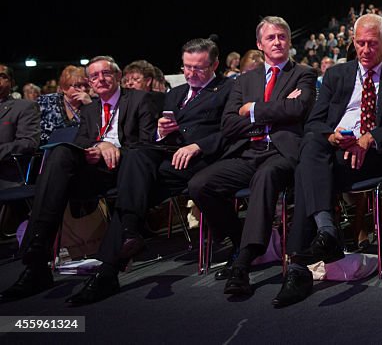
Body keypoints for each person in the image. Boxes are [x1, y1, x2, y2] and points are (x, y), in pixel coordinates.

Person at [66, 39, 233, 305]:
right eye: (186, 67)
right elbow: (159, 137)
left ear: (214, 64)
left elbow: (230, 130)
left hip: (204, 159)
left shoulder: (228, 88)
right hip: (170, 158)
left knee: (132, 192)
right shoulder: (176, 94)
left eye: (199, 68)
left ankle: (109, 268)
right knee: (136, 158)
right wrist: (162, 131)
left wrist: (197, 144)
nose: (191, 74)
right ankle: (127, 239)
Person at [274, 14, 382, 308]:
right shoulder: (337, 75)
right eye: (359, 43)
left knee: (305, 174)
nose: (364, 50)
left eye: (372, 44)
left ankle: (299, 267)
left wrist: (371, 136)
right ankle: (326, 230)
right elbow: (315, 122)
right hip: (337, 153)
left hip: (377, 154)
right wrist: (333, 136)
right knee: (312, 143)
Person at [0, 56, 156, 303]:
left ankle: (103, 271)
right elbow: (82, 142)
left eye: (105, 74)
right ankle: (37, 255)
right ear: (90, 83)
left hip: (128, 168)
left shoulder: (139, 99)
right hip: (97, 171)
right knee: (60, 153)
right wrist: (96, 147)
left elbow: (147, 146)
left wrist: (114, 148)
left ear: (117, 76)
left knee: (74, 166)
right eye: (94, 76)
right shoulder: (91, 109)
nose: (100, 79)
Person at [188, 17, 316, 298]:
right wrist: (274, 110)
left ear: (289, 41)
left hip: (281, 153)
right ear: (260, 45)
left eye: (282, 36)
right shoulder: (245, 80)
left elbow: (298, 109)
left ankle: (243, 263)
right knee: (200, 185)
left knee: (266, 176)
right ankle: (242, 237)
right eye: (270, 38)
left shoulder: (303, 74)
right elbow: (229, 125)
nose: (277, 42)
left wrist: (253, 109)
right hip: (246, 152)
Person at [0, 64, 40, 187]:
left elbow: (28, 143)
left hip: (7, 174)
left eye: (2, 76)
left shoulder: (24, 107)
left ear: (11, 82)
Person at [35, 65, 90, 144]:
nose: (83, 89)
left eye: (86, 85)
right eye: (77, 85)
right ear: (65, 88)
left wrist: (89, 105)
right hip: (46, 150)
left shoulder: (93, 104)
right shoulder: (45, 101)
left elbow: (95, 132)